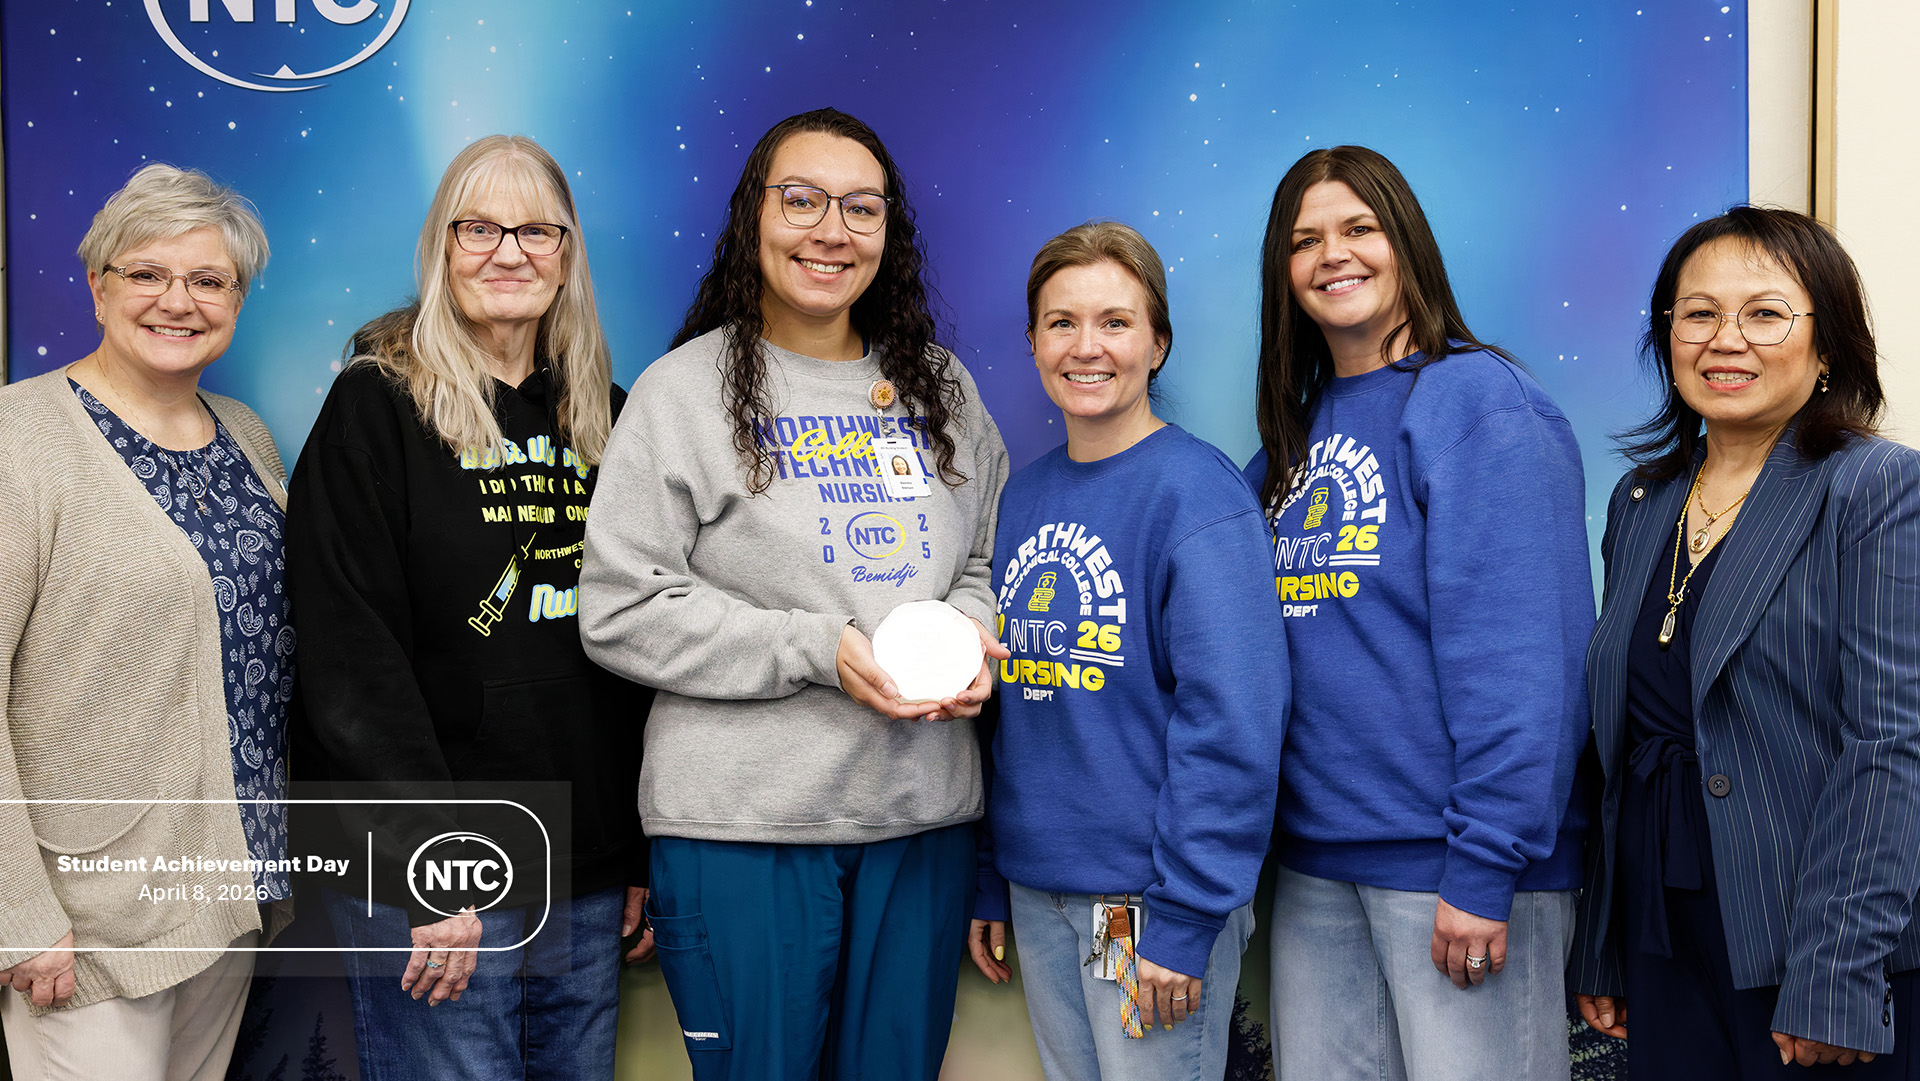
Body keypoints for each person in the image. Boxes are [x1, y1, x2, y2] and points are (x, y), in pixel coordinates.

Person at [578, 106, 1009, 1081]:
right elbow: (618, 607)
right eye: (802, 200)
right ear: (753, 216)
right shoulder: (680, 394)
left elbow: (984, 564)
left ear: (889, 232)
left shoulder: (943, 389)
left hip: (922, 824)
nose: (832, 231)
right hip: (744, 832)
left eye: (862, 208)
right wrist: (820, 648)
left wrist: (967, 641)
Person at [286, 135, 649, 1080]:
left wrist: (630, 850)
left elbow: (634, 647)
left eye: (537, 229)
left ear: (567, 254)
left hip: (579, 863)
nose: (509, 250)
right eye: (479, 226)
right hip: (436, 873)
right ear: (441, 248)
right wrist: (430, 861)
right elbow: (347, 657)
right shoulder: (376, 408)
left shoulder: (602, 415)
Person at [1247, 145, 1594, 1080]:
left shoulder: (1480, 403)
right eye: (1304, 239)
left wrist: (1486, 861)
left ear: (1406, 242)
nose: (1333, 255)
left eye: (1359, 228)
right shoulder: (1292, 436)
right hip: (1318, 865)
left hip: (1458, 867)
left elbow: (1529, 659)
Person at [1570, 207, 1920, 1076]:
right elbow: (1622, 742)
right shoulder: (1642, 501)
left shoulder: (1876, 488)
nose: (1727, 340)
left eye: (1765, 313)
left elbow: (1893, 745)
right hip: (1663, 931)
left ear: (1827, 341)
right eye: (1698, 314)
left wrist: (1836, 973)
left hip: (1809, 938)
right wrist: (1606, 939)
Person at [966, 221, 1285, 1079]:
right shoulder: (1023, 497)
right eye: (1062, 322)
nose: (1086, 346)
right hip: (1039, 893)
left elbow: (1233, 725)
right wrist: (994, 873)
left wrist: (1185, 919)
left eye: (1115, 321)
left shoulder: (1196, 495)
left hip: (1144, 906)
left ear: (1157, 342)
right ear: (1033, 341)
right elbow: (1012, 719)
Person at [0, 163, 289, 1080]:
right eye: (147, 274)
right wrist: (15, 909)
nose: (180, 300)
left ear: (237, 298)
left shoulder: (243, 432)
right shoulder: (19, 440)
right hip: (85, 916)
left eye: (209, 280)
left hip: (224, 883)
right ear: (97, 285)